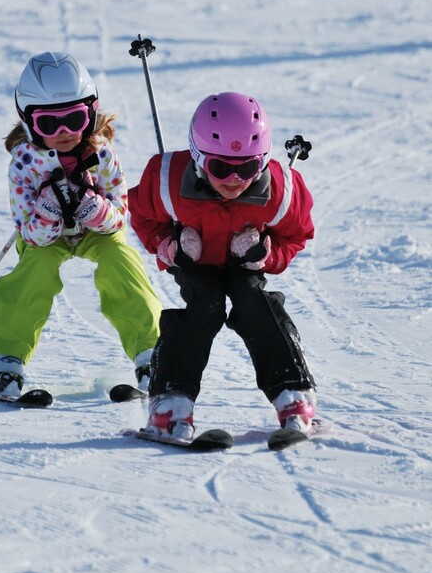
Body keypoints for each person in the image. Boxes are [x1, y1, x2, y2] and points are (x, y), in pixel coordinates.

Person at [128, 91, 317, 441]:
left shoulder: (281, 190)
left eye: (247, 168)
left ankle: (293, 394)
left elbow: (297, 234)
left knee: (254, 301)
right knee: (206, 303)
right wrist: (168, 246)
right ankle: (170, 402)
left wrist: (266, 255)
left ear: (263, 160)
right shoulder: (167, 181)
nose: (234, 179)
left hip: (243, 262)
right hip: (193, 259)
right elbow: (141, 214)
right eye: (220, 167)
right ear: (199, 158)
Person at [0, 51, 162, 396]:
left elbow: (120, 214)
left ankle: (154, 356)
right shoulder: (25, 163)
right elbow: (27, 230)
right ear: (29, 121)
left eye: (74, 120)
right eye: (49, 124)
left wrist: (94, 209)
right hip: (45, 237)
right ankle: (4, 363)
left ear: (90, 114)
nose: (63, 133)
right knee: (35, 270)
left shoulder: (102, 153)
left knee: (121, 263)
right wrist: (47, 213)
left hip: (96, 230)